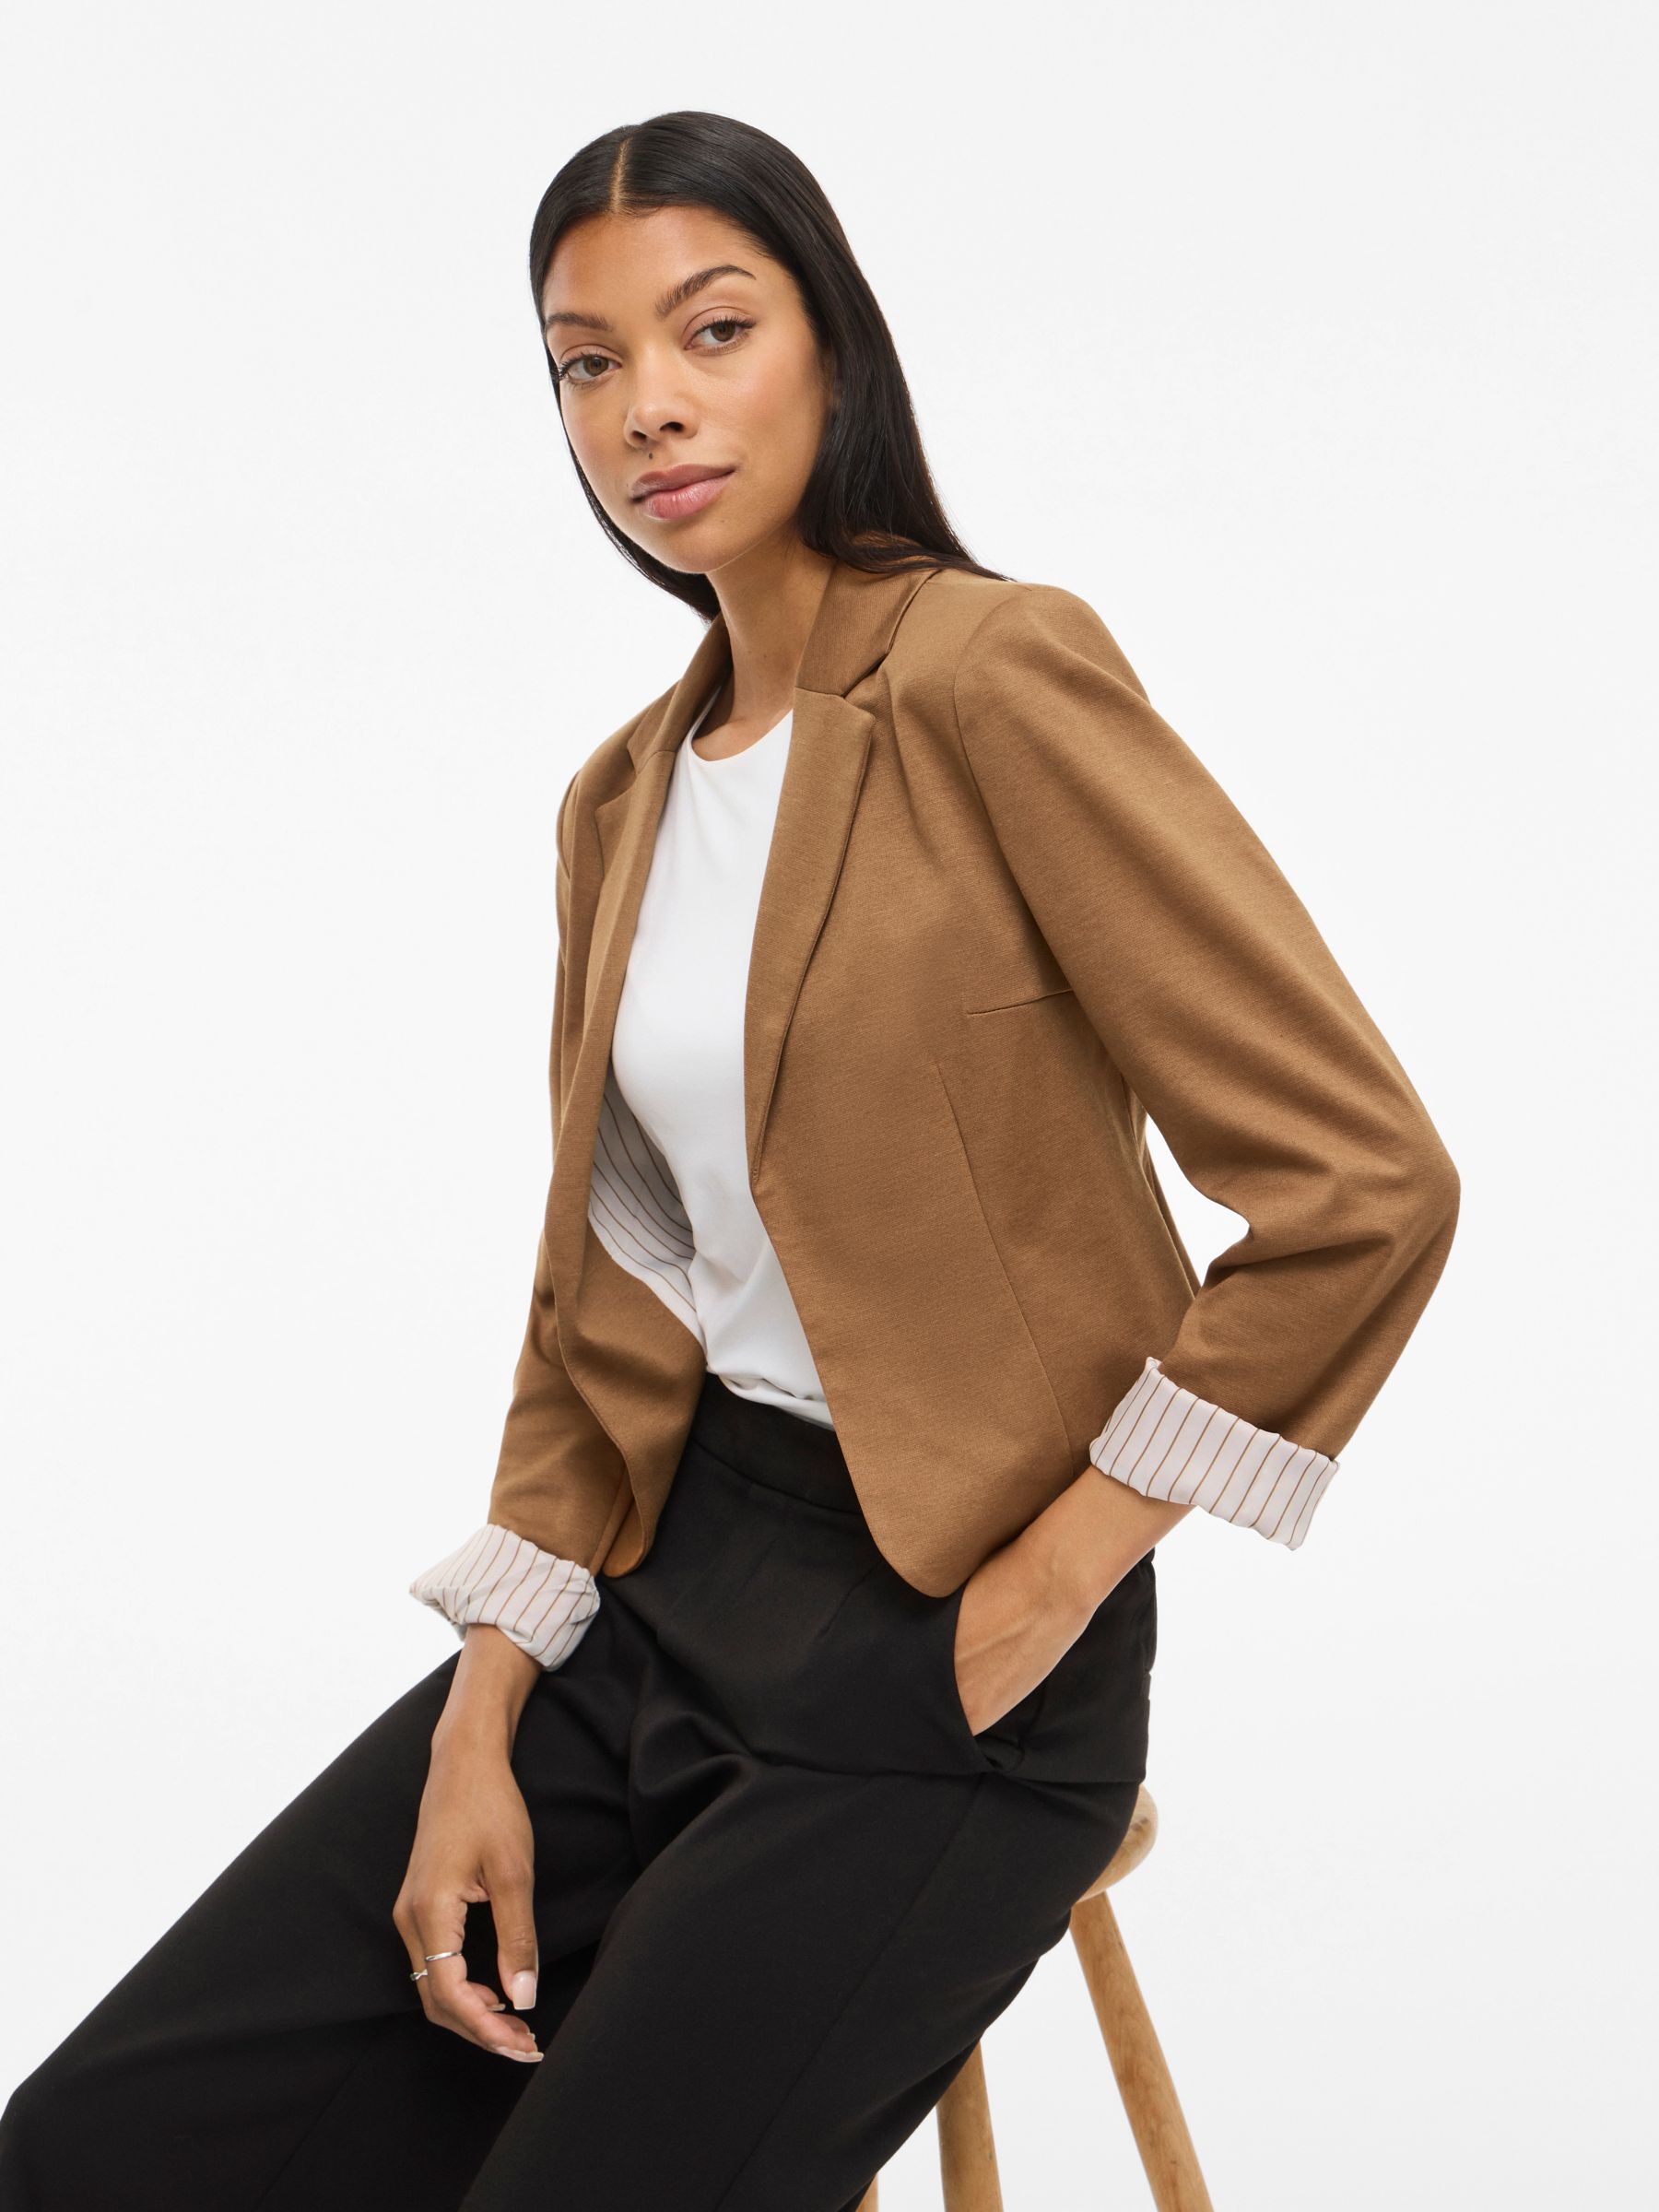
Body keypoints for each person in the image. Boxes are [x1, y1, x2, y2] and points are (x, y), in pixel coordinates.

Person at [0, 108, 1460, 2211]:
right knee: (100, 2147)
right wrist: (479, 1722)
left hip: (945, 1660)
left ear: (831, 349)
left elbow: (1364, 1181)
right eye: (586, 363)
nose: (646, 409)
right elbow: (602, 1314)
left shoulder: (990, 677)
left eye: (711, 330)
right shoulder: (620, 803)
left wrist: (1052, 1581)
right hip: (654, 1600)